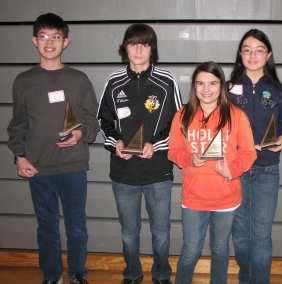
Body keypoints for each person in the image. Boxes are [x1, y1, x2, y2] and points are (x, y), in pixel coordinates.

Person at [7, 13, 99, 284]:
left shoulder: (79, 79)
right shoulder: (23, 81)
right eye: (44, 36)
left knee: (77, 227)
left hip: (73, 166)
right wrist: (19, 156)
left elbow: (92, 120)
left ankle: (78, 274)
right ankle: (51, 276)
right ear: (34, 40)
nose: (50, 42)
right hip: (39, 168)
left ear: (65, 42)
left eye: (56, 37)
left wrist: (81, 133)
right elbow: (18, 125)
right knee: (46, 227)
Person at [96, 23, 182, 284]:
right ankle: (132, 274)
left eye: (145, 44)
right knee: (129, 233)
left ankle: (161, 275)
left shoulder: (167, 81)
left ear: (151, 49)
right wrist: (116, 142)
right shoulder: (114, 81)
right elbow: (104, 119)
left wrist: (154, 145)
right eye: (133, 43)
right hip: (123, 172)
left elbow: (177, 121)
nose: (138, 49)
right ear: (125, 48)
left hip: (157, 171)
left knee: (161, 232)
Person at [168, 61, 257, 284]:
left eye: (212, 83)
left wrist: (232, 170)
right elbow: (173, 151)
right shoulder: (182, 115)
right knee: (190, 251)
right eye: (200, 83)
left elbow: (249, 152)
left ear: (222, 86)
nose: (206, 89)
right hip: (194, 198)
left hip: (226, 198)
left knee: (219, 249)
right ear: (194, 86)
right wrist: (188, 158)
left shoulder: (236, 115)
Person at [228, 29, 282, 284]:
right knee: (241, 233)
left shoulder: (279, 90)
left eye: (259, 50)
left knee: (262, 236)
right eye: (247, 50)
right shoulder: (227, 89)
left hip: (267, 171)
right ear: (240, 54)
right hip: (238, 170)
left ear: (268, 55)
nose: (252, 55)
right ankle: (248, 279)